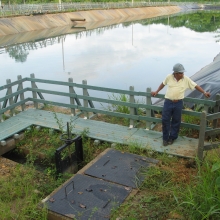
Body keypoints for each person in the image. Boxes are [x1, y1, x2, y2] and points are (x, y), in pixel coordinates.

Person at [151, 63, 211, 146]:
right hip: (168, 102)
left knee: (176, 121)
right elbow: (163, 84)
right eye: (180, 73)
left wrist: (204, 92)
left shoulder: (186, 79)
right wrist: (156, 91)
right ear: (175, 73)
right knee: (165, 120)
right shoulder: (169, 77)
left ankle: (172, 138)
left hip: (178, 103)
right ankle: (165, 138)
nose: (182, 74)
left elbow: (196, 86)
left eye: (183, 72)